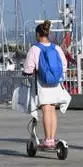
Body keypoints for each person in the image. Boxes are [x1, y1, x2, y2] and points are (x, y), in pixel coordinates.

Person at [23, 20, 67, 148]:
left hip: (42, 83)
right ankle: (51, 138)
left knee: (46, 109)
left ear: (38, 35)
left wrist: (27, 72)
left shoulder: (35, 49)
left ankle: (48, 140)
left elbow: (28, 68)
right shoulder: (56, 48)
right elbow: (64, 65)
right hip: (56, 84)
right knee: (52, 109)